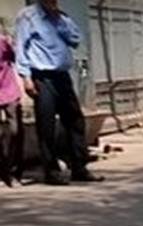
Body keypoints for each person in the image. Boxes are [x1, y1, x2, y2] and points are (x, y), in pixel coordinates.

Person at [14, 0, 101, 185]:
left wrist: (59, 19)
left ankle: (79, 167)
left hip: (62, 77)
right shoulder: (28, 17)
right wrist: (26, 78)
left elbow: (75, 39)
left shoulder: (61, 18)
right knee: (46, 126)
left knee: (75, 120)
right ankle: (51, 172)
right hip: (42, 78)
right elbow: (21, 48)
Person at [0, 20, 23, 187]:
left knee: (15, 131)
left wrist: (12, 43)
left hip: (8, 89)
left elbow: (18, 58)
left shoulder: (3, 42)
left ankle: (13, 172)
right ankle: (4, 173)